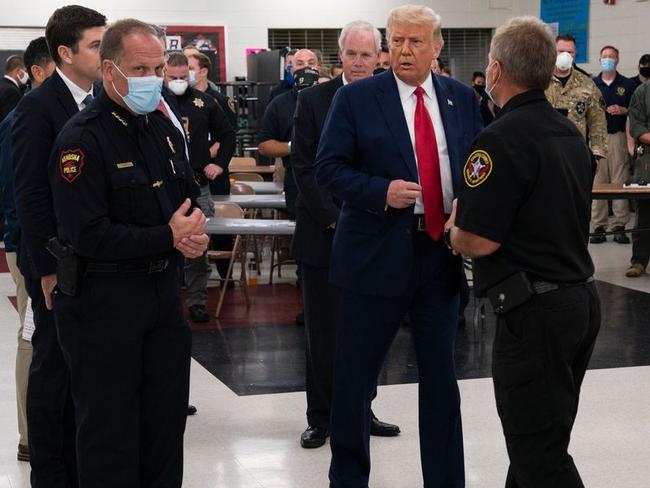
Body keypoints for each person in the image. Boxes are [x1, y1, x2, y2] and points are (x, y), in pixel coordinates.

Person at [315, 5, 481, 487]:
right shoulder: (358, 99)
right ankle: (347, 480)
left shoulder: (460, 98)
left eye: (415, 41)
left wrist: (465, 207)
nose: (404, 51)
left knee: (441, 382)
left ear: (437, 46)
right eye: (397, 41)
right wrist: (379, 191)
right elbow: (328, 168)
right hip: (374, 253)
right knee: (354, 381)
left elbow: (476, 165)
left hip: (438, 255)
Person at [49, 19, 207, 487]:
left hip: (161, 297)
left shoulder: (160, 127)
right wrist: (168, 235)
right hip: (104, 302)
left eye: (158, 67)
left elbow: (187, 195)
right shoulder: (82, 138)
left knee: (164, 428)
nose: (152, 78)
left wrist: (193, 231)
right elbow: (88, 234)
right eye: (140, 68)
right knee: (110, 435)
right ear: (109, 69)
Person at [446, 16, 600, 487]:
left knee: (539, 456)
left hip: (535, 313)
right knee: (540, 440)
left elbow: (478, 239)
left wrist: (455, 229)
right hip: (577, 302)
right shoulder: (567, 133)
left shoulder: (500, 138)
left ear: (495, 71)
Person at [292, 20, 400, 450]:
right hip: (325, 234)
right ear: (341, 57)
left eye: (367, 54)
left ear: (379, 58)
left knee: (368, 330)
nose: (359, 62)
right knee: (324, 333)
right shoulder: (313, 100)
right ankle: (320, 417)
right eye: (352, 54)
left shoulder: (391, 100)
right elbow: (304, 167)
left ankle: (361, 408)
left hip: (375, 235)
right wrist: (336, 218)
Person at [12, 6, 106, 487]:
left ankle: (78, 462)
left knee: (81, 369)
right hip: (54, 265)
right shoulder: (38, 107)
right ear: (65, 53)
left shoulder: (100, 99)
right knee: (52, 366)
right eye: (95, 44)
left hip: (93, 261)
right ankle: (48, 471)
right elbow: (30, 194)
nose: (103, 52)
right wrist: (47, 270)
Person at [0, 36, 55, 464]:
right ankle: (29, 435)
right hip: (30, 247)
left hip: (57, 248)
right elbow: (14, 192)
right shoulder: (21, 119)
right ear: (38, 71)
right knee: (31, 335)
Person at [165, 51, 236, 322]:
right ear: (164, 75)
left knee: (196, 247)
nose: (179, 81)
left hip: (197, 185)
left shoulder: (204, 103)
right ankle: (168, 301)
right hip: (165, 186)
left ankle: (196, 302)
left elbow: (228, 134)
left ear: (191, 75)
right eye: (173, 77)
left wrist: (219, 164)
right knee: (164, 246)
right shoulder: (155, 102)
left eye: (184, 77)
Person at [258, 48, 320, 219]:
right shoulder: (279, 103)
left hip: (329, 179)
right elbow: (263, 145)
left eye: (311, 63)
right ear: (291, 69)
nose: (306, 68)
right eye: (300, 64)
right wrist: (293, 146)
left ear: (319, 68)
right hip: (296, 180)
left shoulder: (334, 97)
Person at [591, 45, 636, 244]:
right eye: (604, 56)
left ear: (617, 60)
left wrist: (623, 109)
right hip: (597, 138)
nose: (608, 59)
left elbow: (635, 112)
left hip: (618, 136)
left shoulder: (627, 84)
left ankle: (619, 225)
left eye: (611, 56)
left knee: (620, 180)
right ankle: (599, 226)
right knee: (598, 181)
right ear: (600, 60)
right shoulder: (592, 84)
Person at [545, 34, 607, 170]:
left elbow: (597, 121)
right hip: (545, 152)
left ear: (575, 54)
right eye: (561, 51)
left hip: (576, 153)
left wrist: (596, 154)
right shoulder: (539, 81)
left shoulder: (587, 84)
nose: (565, 55)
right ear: (552, 52)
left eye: (570, 52)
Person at [626, 63, 650, 279]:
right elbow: (637, 127)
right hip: (648, 161)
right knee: (644, 214)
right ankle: (639, 261)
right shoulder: (642, 92)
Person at [185, 49, 238, 131]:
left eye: (190, 69)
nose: (186, 72)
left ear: (203, 72)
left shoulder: (222, 101)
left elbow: (230, 132)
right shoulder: (181, 99)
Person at [0, 55, 28, 121]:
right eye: (26, 71)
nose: (27, 74)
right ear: (18, 71)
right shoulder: (12, 92)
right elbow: (10, 122)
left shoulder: (2, 84)